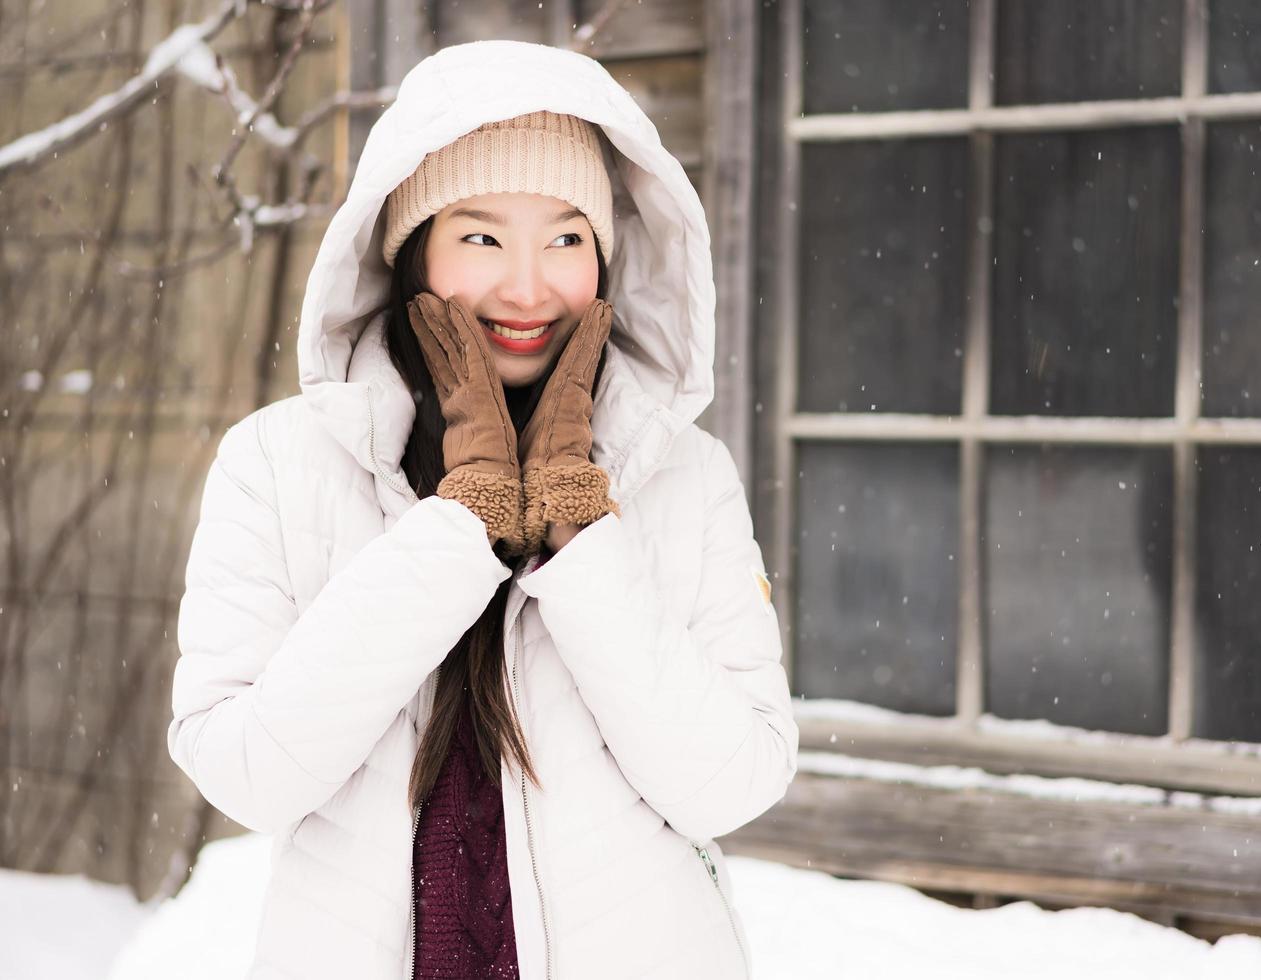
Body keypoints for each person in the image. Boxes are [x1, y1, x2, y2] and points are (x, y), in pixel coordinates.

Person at [166, 39, 797, 980]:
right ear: (412, 250)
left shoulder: (681, 475)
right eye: (482, 236)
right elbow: (249, 771)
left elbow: (730, 783)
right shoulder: (279, 462)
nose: (529, 287)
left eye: (566, 237)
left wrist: (581, 534)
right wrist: (459, 527)